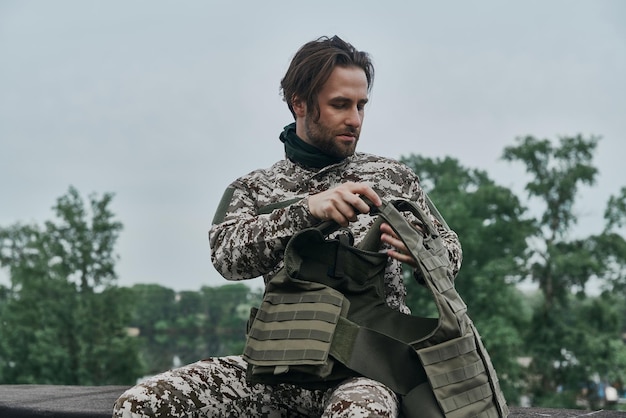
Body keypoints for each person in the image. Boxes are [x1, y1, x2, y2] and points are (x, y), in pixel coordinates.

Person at [113, 35, 462, 418]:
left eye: (362, 106)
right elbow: (227, 257)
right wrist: (306, 210)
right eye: (340, 105)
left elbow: (450, 249)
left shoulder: (392, 178)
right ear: (299, 103)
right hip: (276, 372)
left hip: (366, 373)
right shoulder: (254, 189)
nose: (355, 120)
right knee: (140, 405)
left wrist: (422, 254)